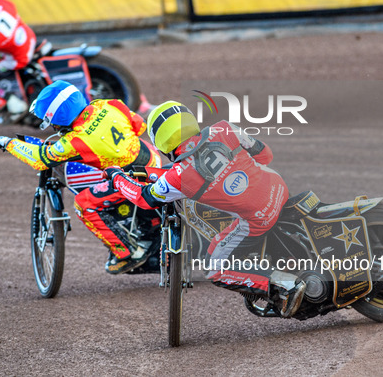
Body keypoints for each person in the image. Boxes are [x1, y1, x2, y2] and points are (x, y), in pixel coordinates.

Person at [103, 101, 307, 318]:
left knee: (215, 269)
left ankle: (285, 285)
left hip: (258, 218)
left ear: (160, 140)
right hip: (279, 188)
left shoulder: (180, 175)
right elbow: (265, 155)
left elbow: (145, 199)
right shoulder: (223, 128)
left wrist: (117, 178)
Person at [0, 80, 162, 274]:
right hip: (151, 159)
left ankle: (127, 252)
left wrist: (8, 143)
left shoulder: (75, 141)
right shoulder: (108, 104)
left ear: (59, 119)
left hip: (130, 180)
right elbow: (139, 127)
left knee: (84, 202)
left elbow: (40, 159)